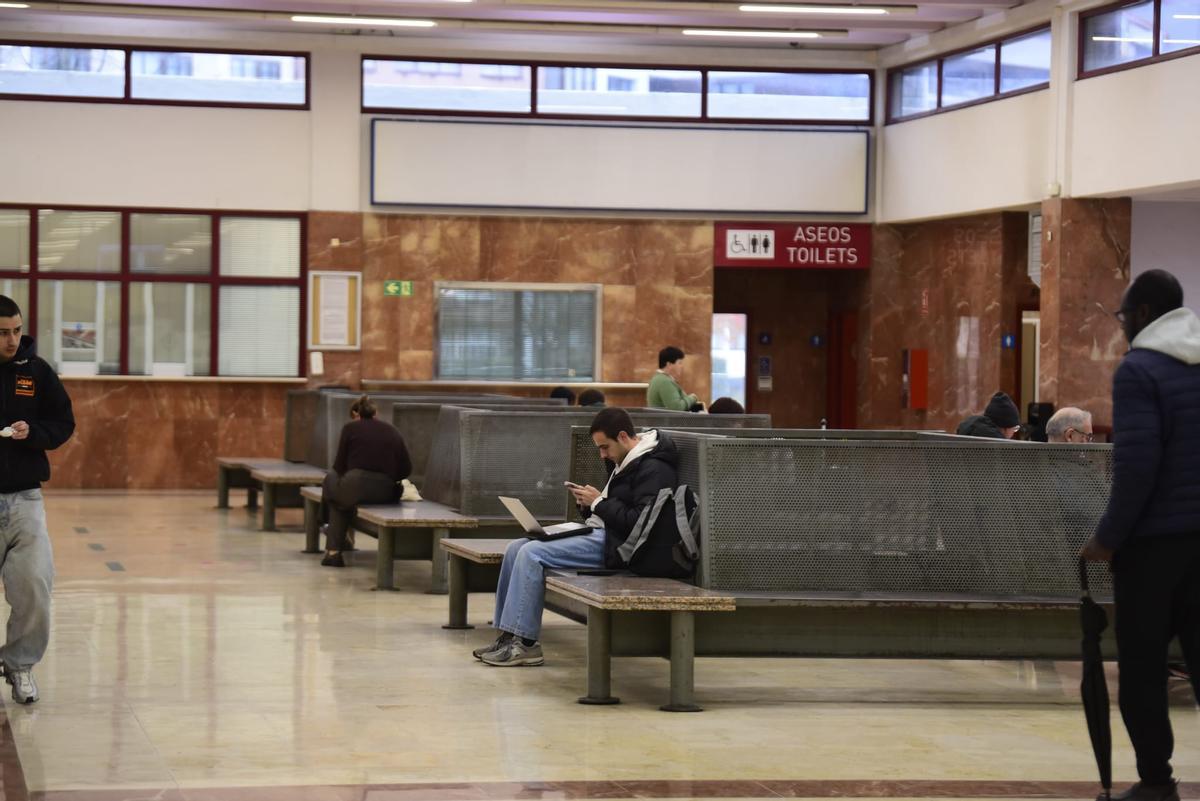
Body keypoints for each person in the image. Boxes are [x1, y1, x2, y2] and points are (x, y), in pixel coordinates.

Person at [1081, 269, 1200, 801]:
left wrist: (1106, 538)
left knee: (1144, 671)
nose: (1123, 325)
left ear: (1145, 314)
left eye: (1124, 316)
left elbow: (1137, 467)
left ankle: (1156, 782)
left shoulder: (1140, 370)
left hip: (1154, 549)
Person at [474, 407, 678, 667]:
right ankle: (508, 635)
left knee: (531, 553)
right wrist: (589, 505)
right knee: (516, 547)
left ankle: (526, 645)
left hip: (621, 547)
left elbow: (639, 523)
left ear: (623, 436)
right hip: (604, 534)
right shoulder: (627, 460)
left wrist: (599, 503)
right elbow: (618, 508)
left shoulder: (655, 469)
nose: (602, 454)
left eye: (604, 447)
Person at [0, 295, 75, 704]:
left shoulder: (37, 372)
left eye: (16, 330)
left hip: (25, 498)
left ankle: (20, 665)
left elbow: (62, 422)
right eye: (2, 333)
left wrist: (35, 434)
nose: (12, 340)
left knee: (34, 584)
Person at [320, 395, 412, 568]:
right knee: (341, 496)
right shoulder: (392, 430)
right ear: (376, 413)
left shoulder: (350, 428)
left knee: (332, 481)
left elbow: (339, 466)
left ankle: (332, 549)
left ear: (356, 414)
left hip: (355, 485)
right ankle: (335, 544)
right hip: (386, 491)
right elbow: (406, 469)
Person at [646, 346, 701, 411]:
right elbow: (677, 407)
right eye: (679, 363)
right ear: (669, 364)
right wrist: (693, 398)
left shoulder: (658, 378)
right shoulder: (665, 382)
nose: (682, 366)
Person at [955, 391, 1021, 439]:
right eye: (1015, 428)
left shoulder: (966, 431)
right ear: (1005, 429)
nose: (1013, 433)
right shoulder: (998, 447)